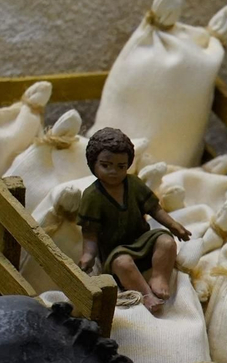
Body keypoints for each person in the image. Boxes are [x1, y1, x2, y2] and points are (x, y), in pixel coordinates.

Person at [77, 127, 191, 315]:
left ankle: (159, 277)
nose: (114, 171)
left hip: (142, 239)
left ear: (128, 164)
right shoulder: (91, 196)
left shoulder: (134, 184)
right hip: (116, 251)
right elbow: (90, 233)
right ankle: (146, 295)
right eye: (106, 165)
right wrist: (88, 254)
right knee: (123, 264)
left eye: (121, 166)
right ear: (93, 164)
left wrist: (173, 225)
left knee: (166, 241)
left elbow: (155, 209)